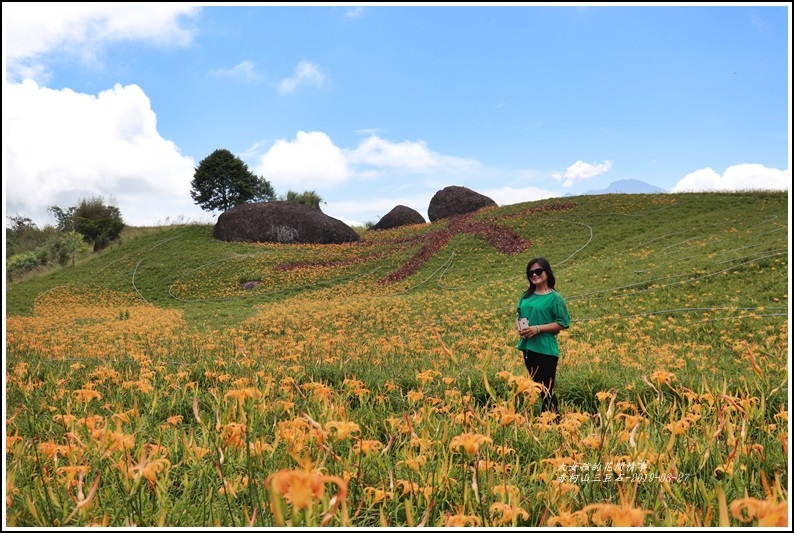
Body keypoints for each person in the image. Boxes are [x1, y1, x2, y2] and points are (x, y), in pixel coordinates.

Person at [516, 257, 570, 413]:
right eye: (530, 272)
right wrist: (521, 327)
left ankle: (553, 421)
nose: (534, 275)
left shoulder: (555, 298)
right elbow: (519, 314)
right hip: (527, 346)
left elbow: (563, 322)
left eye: (538, 271)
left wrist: (537, 329)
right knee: (538, 387)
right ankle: (547, 420)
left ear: (548, 273)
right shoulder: (526, 296)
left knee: (546, 390)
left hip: (546, 349)